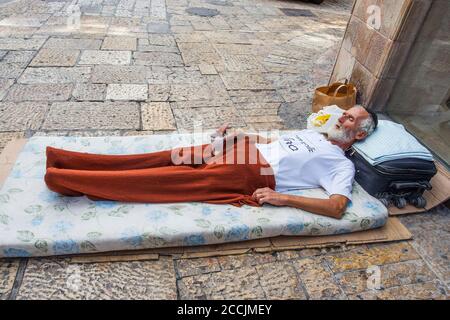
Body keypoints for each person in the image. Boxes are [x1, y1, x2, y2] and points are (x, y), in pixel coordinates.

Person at [44, 106, 377, 219]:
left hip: (248, 172)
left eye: (350, 119)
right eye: (344, 113)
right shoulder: (316, 136)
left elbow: (336, 207)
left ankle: (65, 180)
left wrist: (283, 198)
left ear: (358, 135)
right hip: (242, 151)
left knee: (162, 180)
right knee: (162, 158)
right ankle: (64, 161)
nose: (342, 117)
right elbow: (269, 142)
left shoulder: (340, 165)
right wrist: (235, 137)